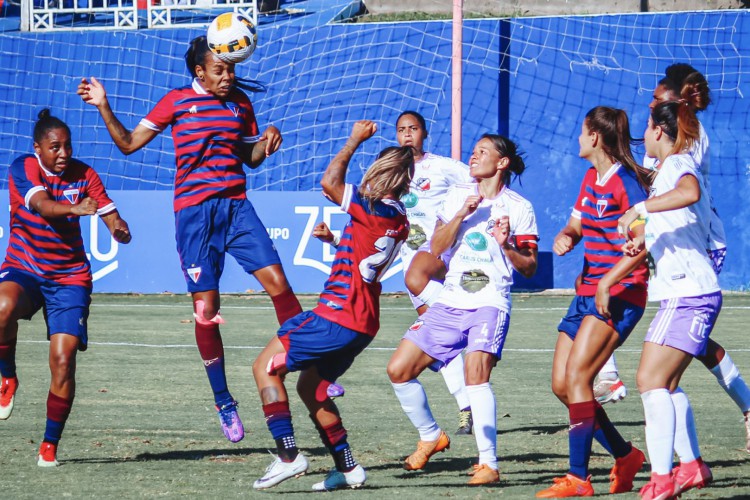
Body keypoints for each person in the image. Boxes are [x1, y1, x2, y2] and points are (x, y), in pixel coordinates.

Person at [77, 35, 303, 443]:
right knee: (206, 309)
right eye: (220, 70)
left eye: (231, 69)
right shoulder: (177, 101)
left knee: (280, 284)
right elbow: (128, 145)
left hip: (236, 207)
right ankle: (224, 401)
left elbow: (248, 160)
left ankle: (310, 362)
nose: (228, 76)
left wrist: (267, 143)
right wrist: (103, 105)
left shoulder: (240, 104)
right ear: (199, 71)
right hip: (194, 215)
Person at [250, 120, 413, 491]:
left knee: (264, 368)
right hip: (363, 323)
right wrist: (336, 239)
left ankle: (289, 457)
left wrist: (353, 140)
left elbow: (330, 182)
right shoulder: (398, 217)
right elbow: (366, 253)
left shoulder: (369, 205)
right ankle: (348, 467)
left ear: (379, 172)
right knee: (312, 389)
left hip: (336, 316)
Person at [598, 63, 750, 453]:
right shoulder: (665, 142)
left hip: (699, 243)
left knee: (687, 341)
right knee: (681, 350)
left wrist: (639, 212)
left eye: (656, 97)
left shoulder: (686, 141)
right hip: (675, 235)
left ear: (673, 104)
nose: (649, 103)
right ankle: (687, 457)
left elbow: (680, 192)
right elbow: (654, 193)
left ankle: (737, 413)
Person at [387, 134, 538, 485]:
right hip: (450, 301)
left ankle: (489, 464)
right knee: (398, 369)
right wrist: (459, 216)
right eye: (473, 151)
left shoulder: (519, 207)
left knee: (476, 377)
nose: (473, 157)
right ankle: (431, 435)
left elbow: (528, 266)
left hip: (489, 302)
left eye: (482, 152)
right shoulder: (457, 196)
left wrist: (508, 244)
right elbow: (436, 249)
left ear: (501, 163)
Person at [313, 110, 476, 434]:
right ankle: (467, 407)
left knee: (437, 331)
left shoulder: (443, 167)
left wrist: (466, 218)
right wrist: (334, 240)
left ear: (424, 133)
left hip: (439, 260)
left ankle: (464, 404)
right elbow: (372, 250)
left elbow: (478, 183)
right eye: (401, 129)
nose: (407, 134)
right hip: (413, 267)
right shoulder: (393, 204)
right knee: (440, 341)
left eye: (413, 128)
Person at [0, 109, 132, 466]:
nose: (62, 154)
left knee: (63, 361)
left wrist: (118, 228)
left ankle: (49, 445)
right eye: (54, 147)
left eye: (67, 146)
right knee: (1, 309)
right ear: (37, 149)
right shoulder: (22, 168)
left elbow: (109, 213)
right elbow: (43, 206)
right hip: (24, 268)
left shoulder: (85, 174)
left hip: (69, 278)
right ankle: (7, 376)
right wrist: (75, 209)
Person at [536, 106, 651, 498]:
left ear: (595, 137)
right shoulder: (590, 178)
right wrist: (568, 235)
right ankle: (625, 455)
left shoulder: (628, 184)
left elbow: (642, 244)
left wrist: (607, 283)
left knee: (580, 380)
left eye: (582, 131)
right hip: (587, 294)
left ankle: (579, 479)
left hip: (618, 295)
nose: (578, 138)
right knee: (562, 385)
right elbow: (578, 223)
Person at [618, 82, 721, 500]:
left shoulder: (678, 163)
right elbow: (677, 218)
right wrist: (643, 241)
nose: (643, 134)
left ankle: (662, 479)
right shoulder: (662, 175)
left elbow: (690, 192)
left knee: (650, 381)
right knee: (664, 384)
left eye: (646, 126)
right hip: (681, 292)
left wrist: (640, 209)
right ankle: (692, 466)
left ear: (658, 131)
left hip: (691, 293)